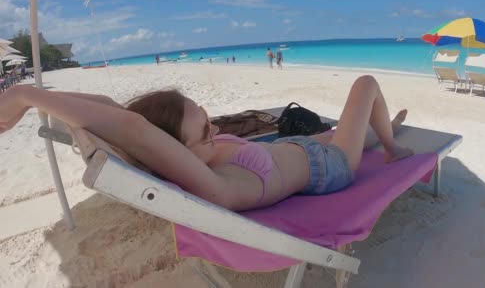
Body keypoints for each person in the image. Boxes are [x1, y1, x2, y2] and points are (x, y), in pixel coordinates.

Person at [0, 76, 413, 211]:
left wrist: (44, 99)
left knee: (354, 128)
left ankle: (384, 131)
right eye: (206, 131)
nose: (214, 128)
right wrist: (23, 96)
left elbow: (114, 109)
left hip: (306, 149)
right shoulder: (216, 184)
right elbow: (134, 129)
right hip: (333, 166)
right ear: (178, 150)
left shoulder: (196, 153)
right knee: (366, 84)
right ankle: (391, 146)